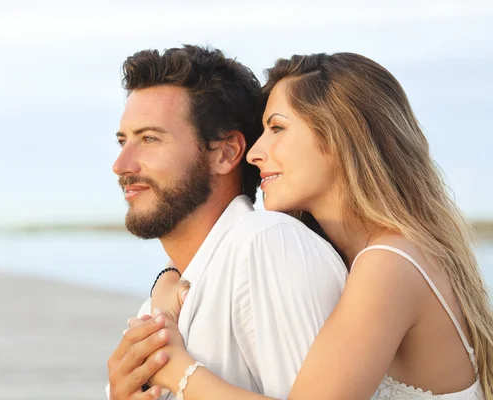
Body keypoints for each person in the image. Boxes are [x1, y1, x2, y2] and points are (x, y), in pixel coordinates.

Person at [124, 53, 492, 399]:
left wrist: (178, 370)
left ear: (341, 136)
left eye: (277, 128)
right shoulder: (366, 258)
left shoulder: (390, 263)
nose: (255, 153)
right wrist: (170, 280)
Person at [105, 46, 348, 400]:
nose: (122, 164)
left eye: (150, 139)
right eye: (123, 141)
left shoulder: (266, 247)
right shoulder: (160, 304)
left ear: (226, 153)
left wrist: (183, 375)